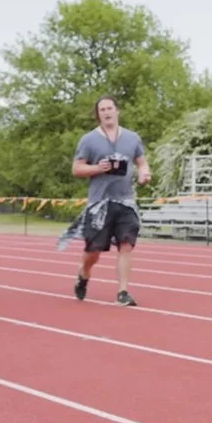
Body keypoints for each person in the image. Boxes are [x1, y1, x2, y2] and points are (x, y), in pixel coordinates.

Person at [57, 95, 150, 306]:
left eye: (110, 108)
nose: (107, 113)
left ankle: (123, 292)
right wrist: (97, 168)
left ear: (117, 111)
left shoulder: (132, 138)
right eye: (102, 110)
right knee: (93, 252)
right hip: (99, 203)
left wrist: (144, 173)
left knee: (126, 245)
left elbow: (142, 162)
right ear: (98, 115)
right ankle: (83, 274)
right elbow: (76, 168)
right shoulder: (88, 140)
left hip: (125, 201)